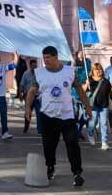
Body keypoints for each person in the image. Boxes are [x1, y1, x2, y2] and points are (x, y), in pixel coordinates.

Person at [24, 45, 91, 187]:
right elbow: (32, 91)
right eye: (44, 58)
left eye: (48, 57)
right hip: (48, 116)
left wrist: (88, 106)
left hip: (67, 116)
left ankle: (77, 173)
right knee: (49, 146)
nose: (45, 60)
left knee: (72, 143)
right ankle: (50, 167)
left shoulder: (70, 72)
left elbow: (79, 90)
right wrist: (27, 108)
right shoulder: (39, 73)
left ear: (56, 57)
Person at [83, 62, 112, 150]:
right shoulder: (89, 80)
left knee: (103, 124)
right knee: (93, 123)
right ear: (93, 71)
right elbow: (83, 92)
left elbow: (111, 95)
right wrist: (86, 85)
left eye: (100, 69)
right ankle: (90, 133)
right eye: (96, 69)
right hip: (93, 106)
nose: (98, 71)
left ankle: (104, 142)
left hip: (104, 105)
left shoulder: (106, 81)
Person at [20, 59, 41, 133]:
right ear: (30, 66)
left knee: (39, 113)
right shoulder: (26, 74)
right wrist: (20, 94)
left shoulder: (39, 74)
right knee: (28, 112)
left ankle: (39, 129)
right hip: (28, 97)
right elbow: (22, 84)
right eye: (33, 66)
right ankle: (26, 126)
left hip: (37, 96)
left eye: (35, 66)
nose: (34, 68)